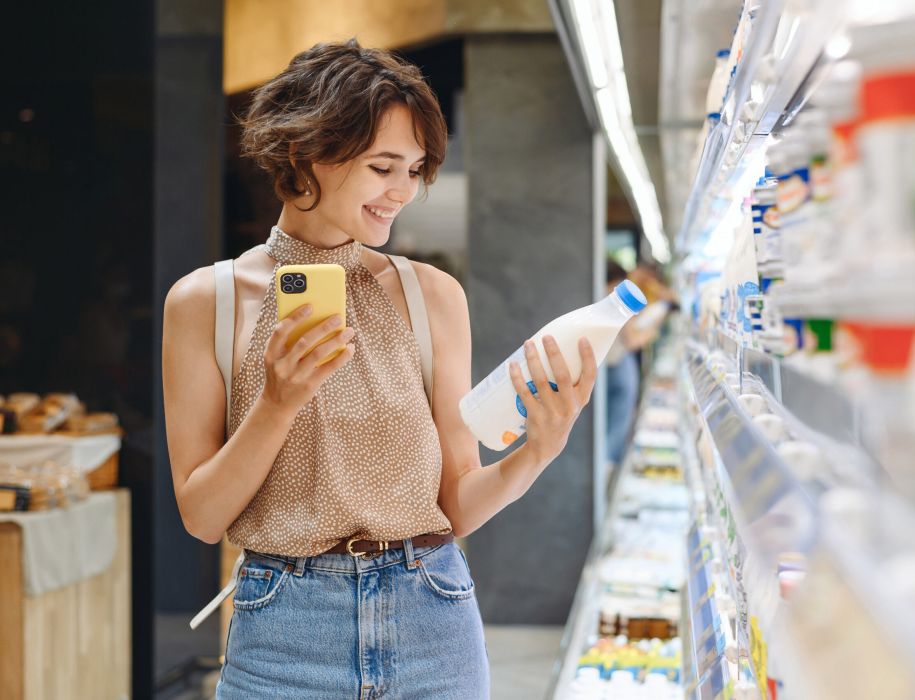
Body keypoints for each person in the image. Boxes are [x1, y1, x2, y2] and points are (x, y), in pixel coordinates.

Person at [161, 40, 598, 699]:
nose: (404, 192)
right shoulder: (207, 303)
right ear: (306, 153)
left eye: (416, 169)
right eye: (382, 166)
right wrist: (277, 404)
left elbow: (456, 501)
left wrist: (536, 452)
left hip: (434, 620)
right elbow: (201, 516)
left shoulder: (432, 298)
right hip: (284, 635)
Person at [604, 259, 662, 465]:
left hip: (605, 367)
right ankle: (608, 464)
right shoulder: (616, 300)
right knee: (618, 421)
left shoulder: (597, 299)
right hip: (618, 365)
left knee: (609, 419)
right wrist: (652, 332)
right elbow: (632, 340)